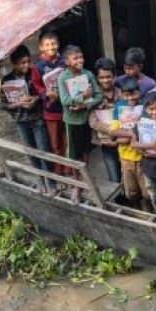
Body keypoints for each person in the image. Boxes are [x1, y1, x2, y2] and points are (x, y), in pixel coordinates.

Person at [0, 45, 54, 194]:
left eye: (28, 61)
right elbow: (3, 104)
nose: (26, 65)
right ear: (13, 63)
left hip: (37, 118)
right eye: (22, 62)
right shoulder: (7, 80)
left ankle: (50, 181)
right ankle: (40, 179)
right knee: (30, 151)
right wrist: (19, 103)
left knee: (43, 150)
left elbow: (42, 92)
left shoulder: (33, 73)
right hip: (21, 120)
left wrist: (35, 99)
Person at [57, 45, 103, 203]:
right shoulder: (63, 77)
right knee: (74, 153)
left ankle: (86, 180)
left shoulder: (88, 74)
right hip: (71, 121)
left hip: (85, 119)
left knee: (85, 151)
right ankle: (77, 185)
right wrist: (82, 96)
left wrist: (85, 105)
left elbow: (98, 96)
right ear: (67, 61)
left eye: (81, 57)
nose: (80, 60)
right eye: (76, 58)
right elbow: (64, 100)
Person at [110, 77, 151, 212]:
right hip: (126, 156)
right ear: (121, 94)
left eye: (133, 94)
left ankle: (149, 209)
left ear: (139, 92)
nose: (130, 98)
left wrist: (123, 138)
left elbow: (149, 132)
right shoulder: (119, 107)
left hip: (143, 156)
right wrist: (133, 134)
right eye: (126, 95)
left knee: (146, 191)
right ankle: (136, 208)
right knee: (131, 190)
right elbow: (114, 131)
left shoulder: (145, 106)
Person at [32, 31, 67, 167]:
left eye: (54, 44)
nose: (51, 47)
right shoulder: (38, 66)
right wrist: (46, 93)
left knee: (67, 141)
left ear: (58, 45)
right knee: (55, 143)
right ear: (41, 47)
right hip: (51, 110)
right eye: (47, 45)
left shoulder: (64, 61)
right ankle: (58, 171)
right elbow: (36, 85)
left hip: (66, 107)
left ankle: (69, 169)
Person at [88, 58, 122, 184]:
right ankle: (117, 201)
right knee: (114, 176)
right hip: (105, 141)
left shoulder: (121, 94)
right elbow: (93, 121)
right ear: (97, 78)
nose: (106, 80)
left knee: (127, 172)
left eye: (109, 76)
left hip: (123, 140)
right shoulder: (94, 97)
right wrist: (111, 131)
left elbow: (127, 117)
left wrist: (119, 135)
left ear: (114, 76)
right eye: (102, 77)